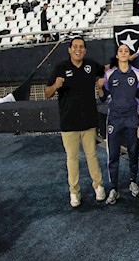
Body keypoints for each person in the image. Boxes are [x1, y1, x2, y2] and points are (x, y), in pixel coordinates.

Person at [44, 37, 106, 208]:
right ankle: (74, 191)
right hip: (69, 122)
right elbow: (47, 93)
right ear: (70, 50)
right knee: (72, 158)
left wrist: (102, 79)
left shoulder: (91, 65)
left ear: (85, 50)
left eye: (82, 47)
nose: (79, 49)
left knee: (92, 155)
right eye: (75, 47)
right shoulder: (60, 68)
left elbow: (105, 70)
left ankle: (98, 186)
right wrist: (56, 85)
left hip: (88, 121)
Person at [100, 44, 139, 204]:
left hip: (132, 117)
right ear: (117, 55)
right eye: (121, 51)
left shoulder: (138, 74)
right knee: (113, 154)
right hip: (114, 118)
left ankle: (133, 180)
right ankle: (114, 188)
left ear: (130, 55)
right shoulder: (110, 74)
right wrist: (99, 87)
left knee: (134, 150)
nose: (124, 53)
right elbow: (103, 97)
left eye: (127, 51)